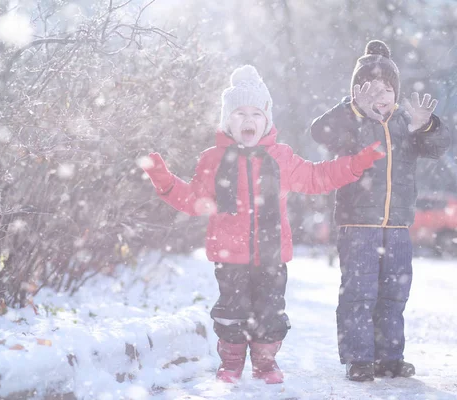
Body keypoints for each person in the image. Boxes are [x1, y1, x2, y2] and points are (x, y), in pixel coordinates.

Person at [141, 65, 384, 384]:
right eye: (239, 113)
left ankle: (265, 362)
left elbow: (316, 177)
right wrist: (161, 176)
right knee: (231, 313)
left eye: (255, 113)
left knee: (270, 315)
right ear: (228, 120)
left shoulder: (280, 157)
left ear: (266, 119)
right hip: (230, 257)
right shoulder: (214, 159)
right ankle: (230, 361)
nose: (248, 120)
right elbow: (193, 200)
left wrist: (356, 164)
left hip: (272, 255)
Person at [310, 40, 451, 382]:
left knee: (394, 293)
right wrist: (353, 110)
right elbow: (319, 131)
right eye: (372, 87)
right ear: (358, 91)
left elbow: (437, 147)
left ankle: (389, 356)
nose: (381, 93)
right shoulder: (351, 120)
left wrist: (425, 126)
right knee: (359, 293)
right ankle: (359, 358)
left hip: (398, 227)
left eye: (388, 87)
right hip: (358, 225)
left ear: (396, 92)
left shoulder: (406, 122)